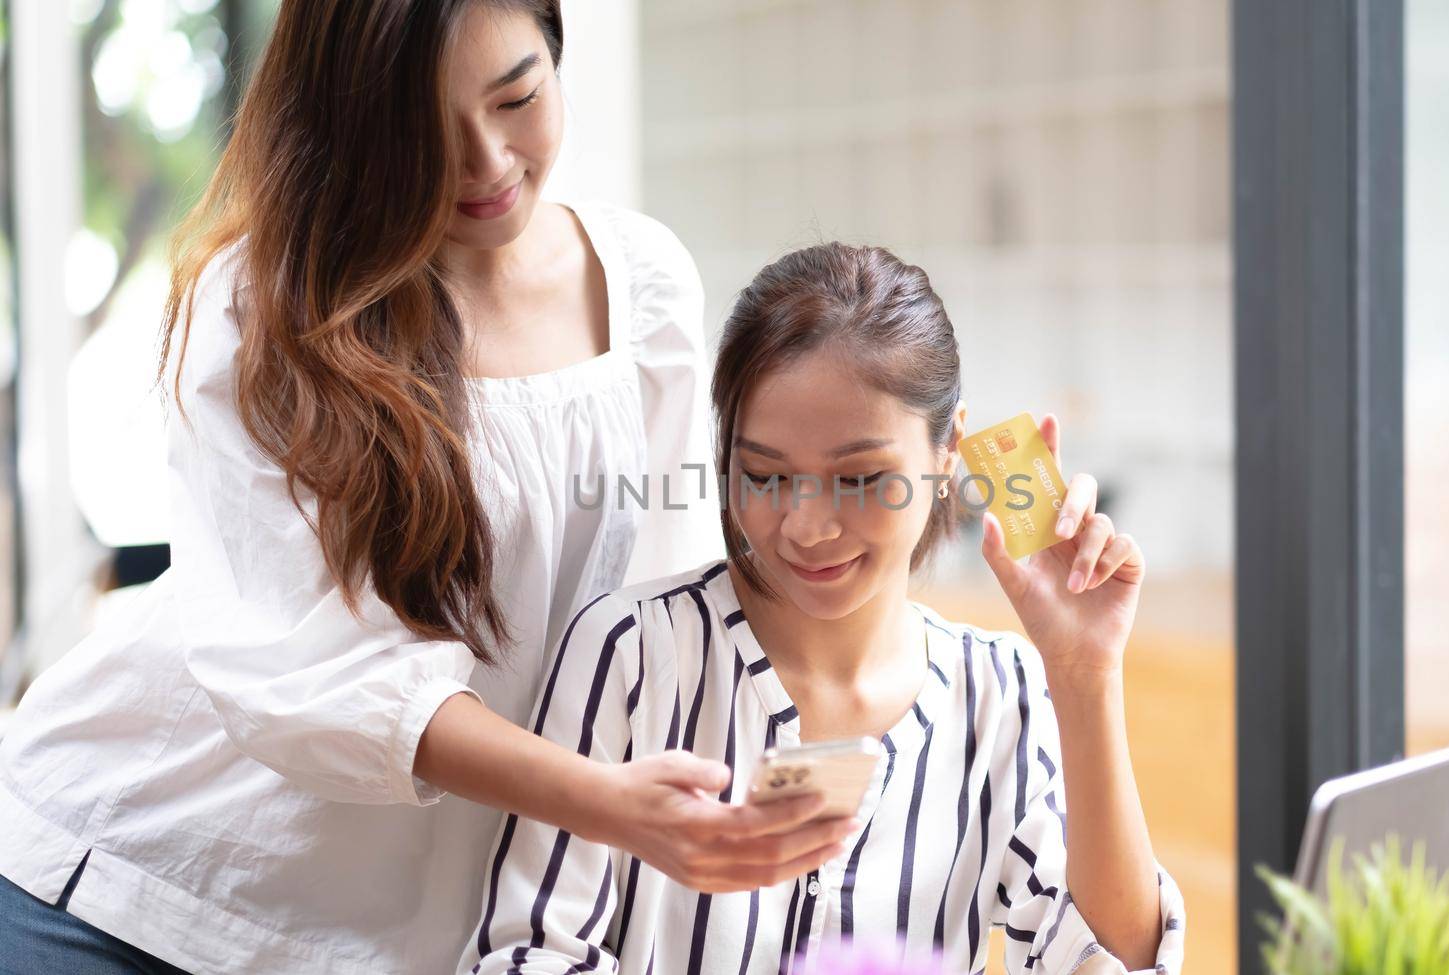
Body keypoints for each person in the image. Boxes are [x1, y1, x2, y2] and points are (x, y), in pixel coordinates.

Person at [0, 3, 851, 973]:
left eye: (518, 96)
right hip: (126, 887)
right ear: (352, 127)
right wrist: (605, 803)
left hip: (393, 940)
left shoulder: (644, 288)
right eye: (424, 131)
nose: (488, 162)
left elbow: (654, 614)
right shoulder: (262, 304)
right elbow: (306, 677)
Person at [461, 243, 1186, 974]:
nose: (806, 526)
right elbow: (527, 953)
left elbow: (1112, 960)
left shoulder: (1001, 692)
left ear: (947, 452)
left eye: (860, 477)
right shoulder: (632, 653)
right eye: (765, 475)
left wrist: (1084, 672)